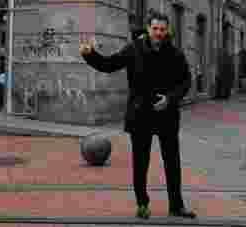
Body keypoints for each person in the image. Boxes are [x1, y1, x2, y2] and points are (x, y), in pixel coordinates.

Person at [79, 11, 196, 220]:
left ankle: (176, 206)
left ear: (167, 30)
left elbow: (185, 82)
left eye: (162, 29)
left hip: (167, 115)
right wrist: (90, 54)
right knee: (140, 163)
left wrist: (169, 99)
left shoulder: (175, 53)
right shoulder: (134, 49)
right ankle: (142, 204)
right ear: (148, 29)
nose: (159, 33)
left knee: (173, 162)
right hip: (140, 115)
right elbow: (109, 64)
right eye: (155, 29)